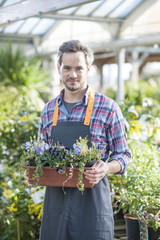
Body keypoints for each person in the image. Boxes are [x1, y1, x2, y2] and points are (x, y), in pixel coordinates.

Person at [38, 40, 131, 240]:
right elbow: (40, 156)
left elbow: (123, 155)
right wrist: (32, 169)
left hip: (93, 207)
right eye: (67, 68)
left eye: (79, 68)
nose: (73, 74)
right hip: (56, 206)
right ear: (59, 69)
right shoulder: (48, 111)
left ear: (88, 69)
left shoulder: (108, 108)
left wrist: (105, 168)